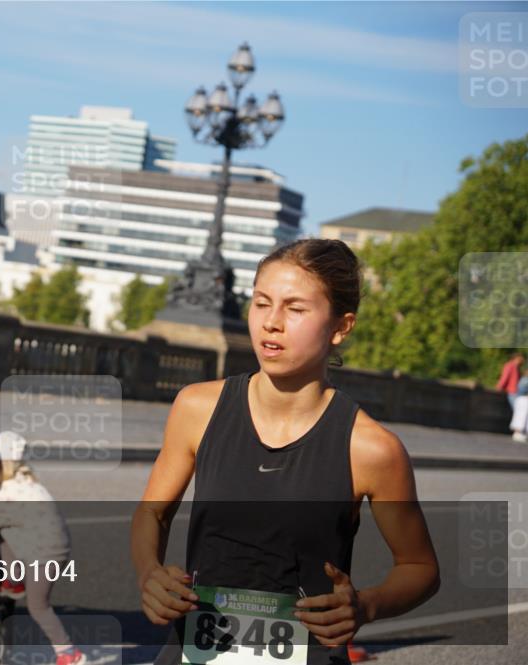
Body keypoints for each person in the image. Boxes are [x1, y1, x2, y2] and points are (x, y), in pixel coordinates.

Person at [131, 238, 440, 665]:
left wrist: (366, 606)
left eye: (295, 309)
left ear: (341, 327)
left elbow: (420, 568)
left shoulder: (371, 448)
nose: (271, 322)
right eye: (261, 303)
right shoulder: (196, 407)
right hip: (194, 651)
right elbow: (152, 512)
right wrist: (150, 572)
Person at [0, 431, 87, 665]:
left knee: (39, 607)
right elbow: (0, 508)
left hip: (43, 557)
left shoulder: (8, 497)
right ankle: (13, 581)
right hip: (50, 548)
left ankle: (69, 654)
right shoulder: (25, 485)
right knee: (6, 534)